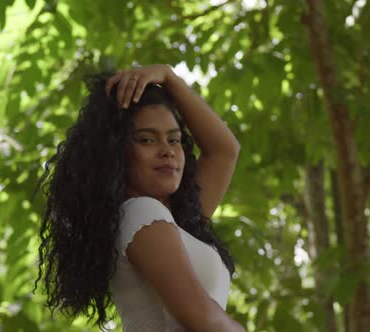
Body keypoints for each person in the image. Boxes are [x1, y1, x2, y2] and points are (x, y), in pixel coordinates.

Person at [33, 64, 245, 331]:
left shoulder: (173, 222)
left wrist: (170, 78)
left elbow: (224, 151)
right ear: (116, 154)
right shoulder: (142, 214)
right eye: (147, 140)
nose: (167, 151)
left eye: (174, 140)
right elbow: (203, 317)